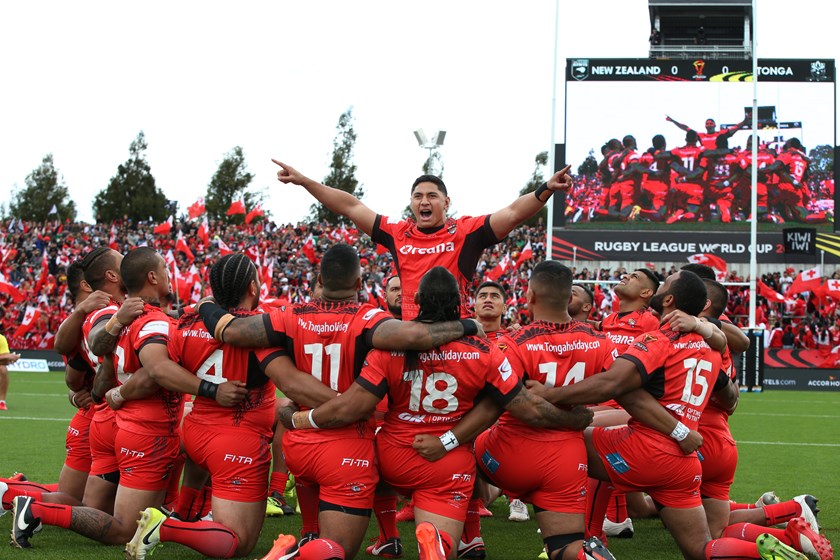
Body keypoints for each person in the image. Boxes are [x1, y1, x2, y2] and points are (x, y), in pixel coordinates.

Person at [278, 266, 594, 560]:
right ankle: (437, 546)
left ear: (415, 300)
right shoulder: (485, 350)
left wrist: (298, 419)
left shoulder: (389, 348)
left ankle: (369, 535)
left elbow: (351, 407)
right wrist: (572, 418)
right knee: (443, 537)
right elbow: (522, 406)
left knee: (361, 462)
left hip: (394, 456)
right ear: (460, 304)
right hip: (447, 460)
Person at [196, 244, 484, 560]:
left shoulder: (288, 315)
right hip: (348, 442)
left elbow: (233, 331)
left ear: (319, 277)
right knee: (337, 550)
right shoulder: (369, 318)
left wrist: (206, 303)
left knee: (319, 532)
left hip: (298, 441)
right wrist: (467, 325)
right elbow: (416, 338)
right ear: (360, 284)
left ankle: (300, 540)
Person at [525, 270, 812, 560]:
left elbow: (612, 383)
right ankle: (763, 552)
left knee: (568, 441)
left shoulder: (658, 338)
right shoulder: (711, 345)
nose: (659, 285)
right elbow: (730, 388)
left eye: (664, 284)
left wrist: (549, 395)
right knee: (702, 548)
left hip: (649, 446)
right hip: (684, 461)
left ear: (669, 298)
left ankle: (583, 542)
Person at [126, 253, 311, 559]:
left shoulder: (184, 322)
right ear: (252, 287)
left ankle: (183, 516)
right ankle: (164, 527)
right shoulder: (260, 324)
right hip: (236, 438)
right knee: (239, 542)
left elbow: (157, 369)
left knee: (202, 490)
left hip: (196, 430)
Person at [271, 159, 572, 320]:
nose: (424, 201)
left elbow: (514, 213)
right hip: (411, 333)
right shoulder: (397, 232)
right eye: (418, 196)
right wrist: (305, 182)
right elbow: (351, 206)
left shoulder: (467, 231)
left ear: (446, 202)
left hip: (456, 331)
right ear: (412, 203)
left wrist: (546, 188)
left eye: (431, 196)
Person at [472, 261, 618, 560]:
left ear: (529, 295)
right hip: (566, 461)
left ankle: (457, 537)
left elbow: (509, 404)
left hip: (509, 453)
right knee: (566, 546)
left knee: (456, 453)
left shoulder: (511, 342)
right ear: (569, 298)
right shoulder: (600, 341)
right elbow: (626, 388)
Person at [666, 114, 748, 151]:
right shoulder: (701, 135)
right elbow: (685, 128)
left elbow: (735, 127)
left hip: (717, 158)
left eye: (711, 123)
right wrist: (673, 121)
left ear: (715, 125)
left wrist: (745, 121)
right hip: (705, 159)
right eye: (707, 123)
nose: (709, 125)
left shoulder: (720, 134)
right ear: (705, 126)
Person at [0, 328, 20, 410]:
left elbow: (5, 360)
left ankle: (1, 402)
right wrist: (7, 357)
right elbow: (5, 356)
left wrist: (9, 358)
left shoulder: (1, 338)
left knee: (3, 369)